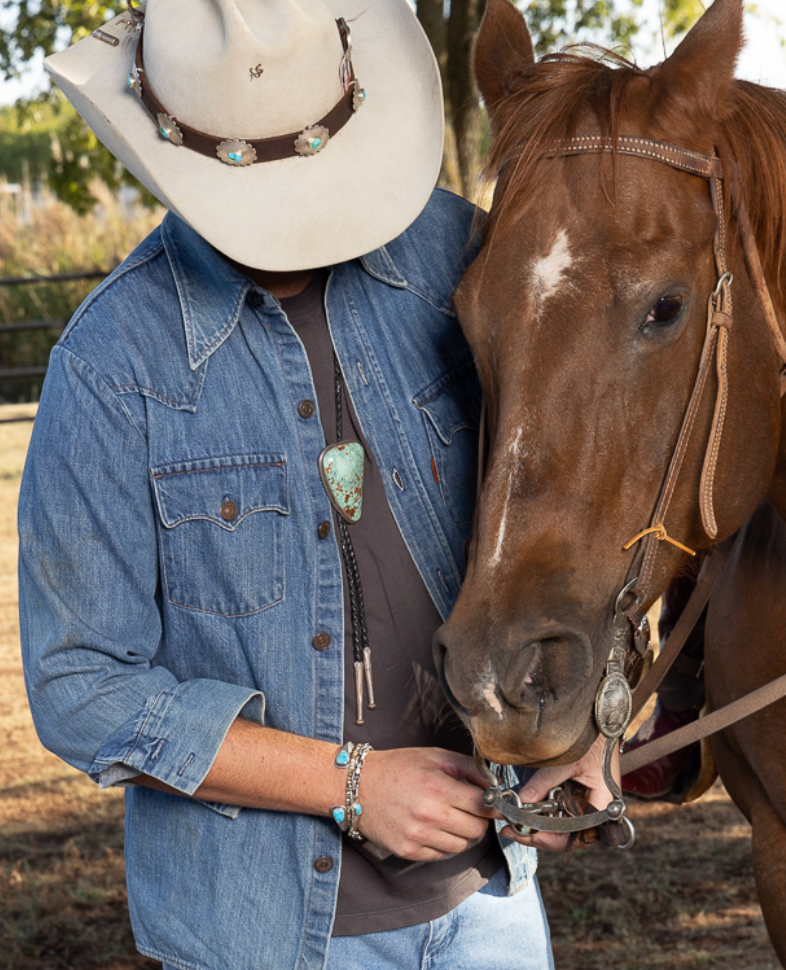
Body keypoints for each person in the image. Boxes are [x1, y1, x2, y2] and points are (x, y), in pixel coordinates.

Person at [18, 3, 613, 968]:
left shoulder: (456, 258)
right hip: (260, 935)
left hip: (489, 907)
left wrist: (577, 722)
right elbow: (80, 686)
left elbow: (570, 495)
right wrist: (348, 781)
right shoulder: (111, 365)